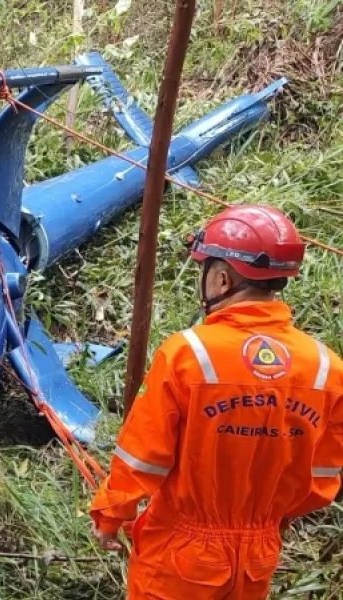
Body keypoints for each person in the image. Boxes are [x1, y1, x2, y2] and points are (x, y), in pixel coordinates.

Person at [90, 205, 343, 599]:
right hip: (259, 552)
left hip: (180, 552)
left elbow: (143, 454)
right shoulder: (327, 367)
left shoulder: (187, 354)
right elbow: (324, 473)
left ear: (222, 278)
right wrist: (271, 515)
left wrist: (111, 514)